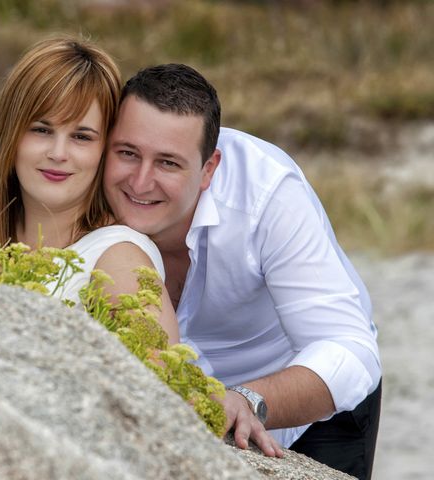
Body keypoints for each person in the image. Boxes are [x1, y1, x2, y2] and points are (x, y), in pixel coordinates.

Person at [103, 63, 381, 480]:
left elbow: (350, 349)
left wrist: (248, 399)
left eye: (168, 164)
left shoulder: (266, 194)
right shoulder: (85, 181)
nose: (141, 183)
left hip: (307, 409)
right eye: (127, 153)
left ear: (209, 168)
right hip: (173, 412)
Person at [0, 37, 179, 343]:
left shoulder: (120, 262)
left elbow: (158, 387)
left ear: (106, 147)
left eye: (82, 137)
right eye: (42, 130)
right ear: (11, 131)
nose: (58, 153)